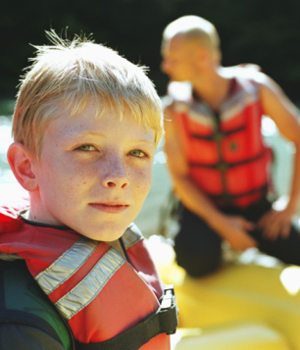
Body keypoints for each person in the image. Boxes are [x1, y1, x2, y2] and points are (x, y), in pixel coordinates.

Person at [0, 30, 177, 349]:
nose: (118, 176)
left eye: (137, 153)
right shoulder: (18, 323)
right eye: (87, 147)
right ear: (27, 167)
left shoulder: (110, 238)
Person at [160, 15, 300, 277]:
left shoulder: (257, 89)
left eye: (172, 58)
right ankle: (222, 246)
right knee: (196, 261)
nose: (165, 66)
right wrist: (223, 225)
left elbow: (298, 138)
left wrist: (289, 205)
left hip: (256, 205)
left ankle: (244, 245)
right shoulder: (173, 109)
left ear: (202, 55)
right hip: (204, 210)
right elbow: (179, 178)